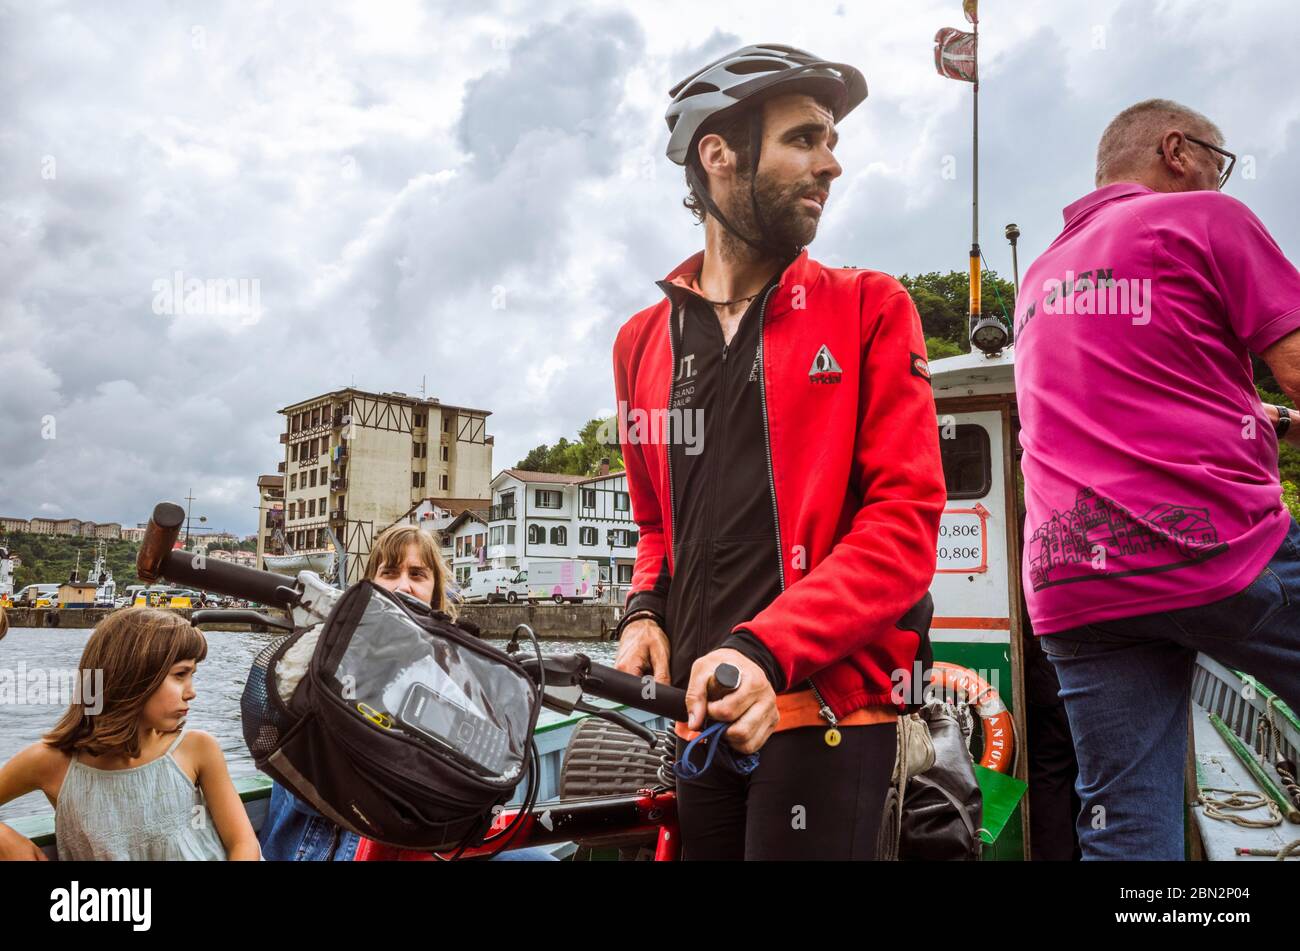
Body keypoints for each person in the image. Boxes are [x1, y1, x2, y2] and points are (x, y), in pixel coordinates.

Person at [611, 43, 945, 860]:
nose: (831, 164)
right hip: (703, 713)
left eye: (832, 142)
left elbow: (904, 527)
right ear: (718, 155)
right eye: (805, 138)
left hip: (827, 718)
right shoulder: (639, 342)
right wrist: (644, 610)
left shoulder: (870, 307)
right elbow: (657, 524)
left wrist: (766, 647)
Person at [1014, 98, 1300, 859]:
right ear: (1178, 150)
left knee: (1125, 821)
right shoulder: (1208, 218)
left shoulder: (1042, 274)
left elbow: (1135, 395)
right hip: (1215, 552)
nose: (1221, 178)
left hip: (1075, 583)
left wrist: (1258, 419)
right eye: (1219, 160)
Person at [258, 524, 556, 861]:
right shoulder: (327, 657)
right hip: (327, 845)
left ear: (435, 591)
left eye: (417, 574)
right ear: (368, 586)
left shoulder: (458, 675)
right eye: (390, 572)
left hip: (419, 843)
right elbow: (306, 789)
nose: (404, 585)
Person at [0, 607, 261, 860]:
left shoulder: (198, 748)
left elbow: (243, 843)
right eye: (181, 674)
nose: (191, 692)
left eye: (192, 675)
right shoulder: (49, 762)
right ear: (132, 677)